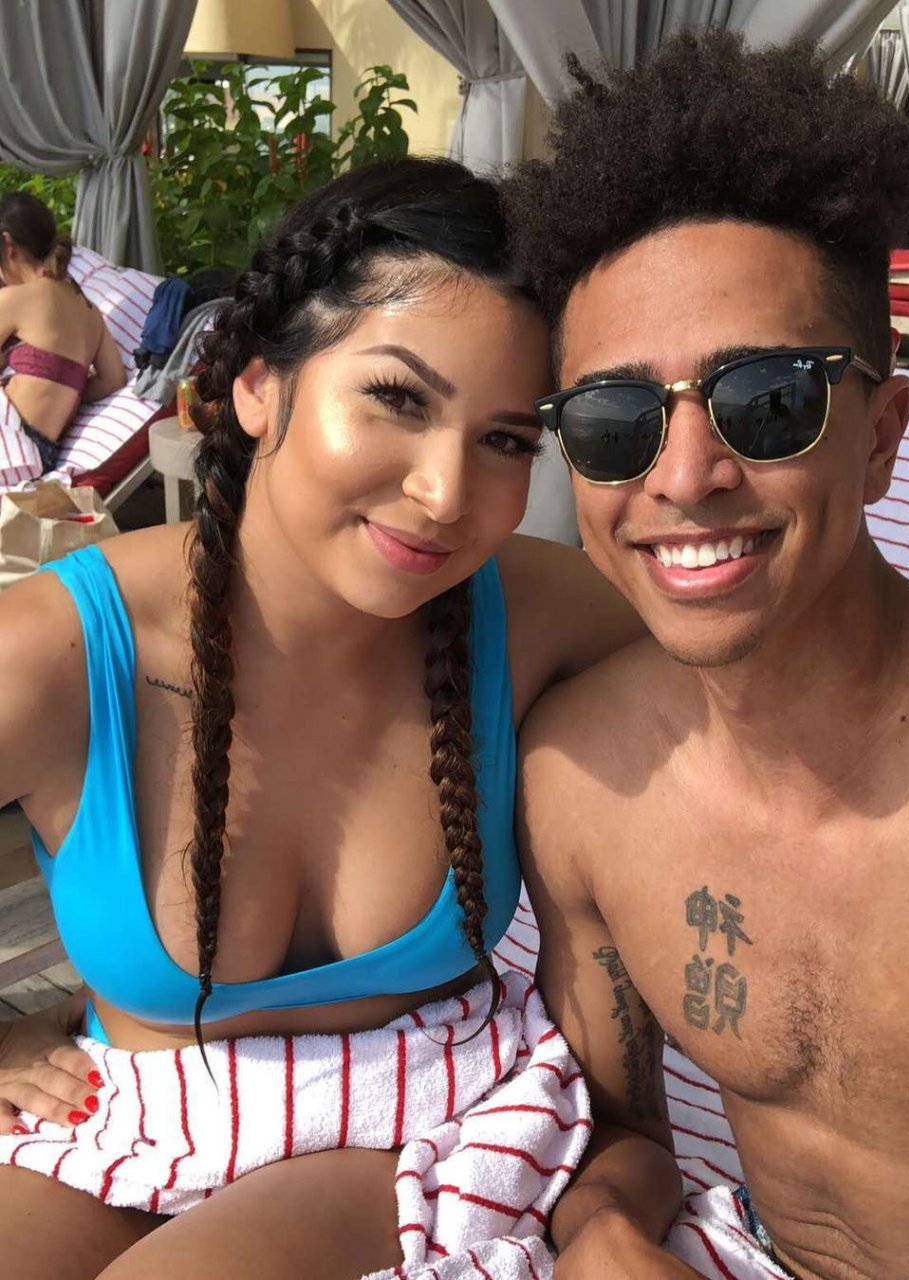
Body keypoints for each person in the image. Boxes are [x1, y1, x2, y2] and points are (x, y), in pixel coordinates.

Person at [0, 157, 645, 1280]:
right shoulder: (58, 654)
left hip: (416, 1119)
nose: (446, 494)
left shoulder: (540, 617)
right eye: (398, 399)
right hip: (132, 1115)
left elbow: (770, 684)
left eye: (504, 439)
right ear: (256, 384)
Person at [504, 31, 909, 1280]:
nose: (684, 476)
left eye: (767, 400)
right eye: (614, 421)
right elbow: (621, 1128)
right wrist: (600, 1227)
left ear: (881, 434)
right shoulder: (579, 777)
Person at [0, 192, 126, 474]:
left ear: (9, 246)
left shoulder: (17, 299)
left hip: (10, 444)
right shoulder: (90, 312)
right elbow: (113, 380)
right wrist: (66, 389)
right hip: (44, 454)